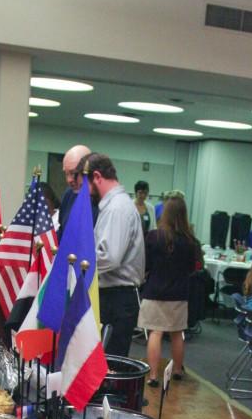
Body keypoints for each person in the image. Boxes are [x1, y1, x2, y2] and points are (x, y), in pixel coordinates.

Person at [81, 152, 145, 358]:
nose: (85, 191)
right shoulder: (115, 206)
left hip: (117, 298)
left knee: (109, 365)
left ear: (97, 177)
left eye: (86, 183)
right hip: (114, 296)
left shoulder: (117, 208)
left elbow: (109, 256)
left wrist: (77, 263)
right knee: (106, 362)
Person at [138, 195, 198, 386]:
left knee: (155, 333)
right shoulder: (190, 241)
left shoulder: (154, 237)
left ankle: (154, 375)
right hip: (179, 294)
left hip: (154, 291)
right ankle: (178, 370)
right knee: (177, 333)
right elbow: (192, 268)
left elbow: (145, 265)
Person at [58, 144, 94, 237]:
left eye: (73, 173)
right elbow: (62, 231)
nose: (69, 180)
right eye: (66, 174)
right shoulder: (68, 194)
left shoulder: (99, 198)